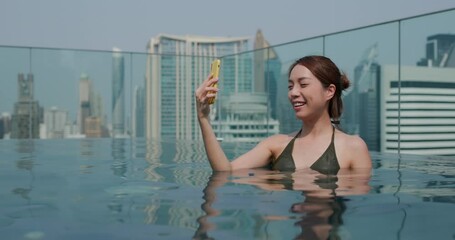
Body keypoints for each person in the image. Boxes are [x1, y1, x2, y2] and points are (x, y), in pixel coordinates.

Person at [195, 55, 372, 173]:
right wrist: (203, 118)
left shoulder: (353, 147)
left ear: (329, 91)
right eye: (290, 86)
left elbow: (358, 212)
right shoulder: (276, 144)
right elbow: (226, 171)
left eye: (303, 85)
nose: (293, 93)